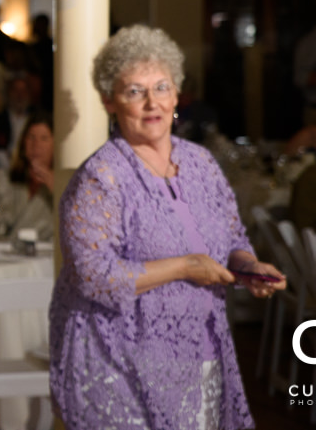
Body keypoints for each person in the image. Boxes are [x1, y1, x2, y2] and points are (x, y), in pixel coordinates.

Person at [49, 24, 284, 430]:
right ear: (110, 102)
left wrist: (249, 266)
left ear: (177, 94)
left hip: (202, 350)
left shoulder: (201, 163)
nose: (151, 102)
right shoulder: (100, 178)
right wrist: (184, 266)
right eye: (134, 91)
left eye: (161, 87)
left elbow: (232, 239)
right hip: (120, 362)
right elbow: (94, 278)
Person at [0, 112, 55, 240]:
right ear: (23, 143)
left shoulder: (64, 186)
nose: (36, 144)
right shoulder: (5, 178)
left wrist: (55, 188)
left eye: (44, 138)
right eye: (31, 137)